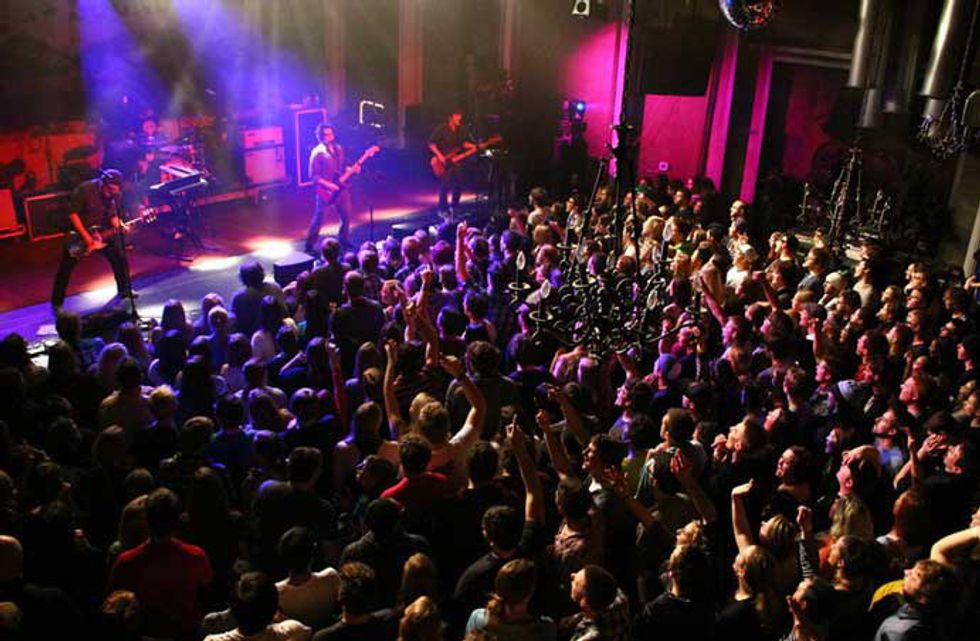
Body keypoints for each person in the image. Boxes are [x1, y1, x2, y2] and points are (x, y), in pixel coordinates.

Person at [106, 487, 214, 641]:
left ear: (147, 520)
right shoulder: (196, 555)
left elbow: (111, 603)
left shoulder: (126, 561)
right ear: (177, 520)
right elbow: (206, 588)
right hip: (186, 634)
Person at [51, 169, 134, 313]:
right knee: (66, 269)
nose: (111, 194)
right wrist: (86, 238)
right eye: (109, 190)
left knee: (118, 258)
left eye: (114, 191)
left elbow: (113, 215)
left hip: (100, 234)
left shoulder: (113, 196)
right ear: (103, 183)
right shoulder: (85, 189)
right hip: (79, 235)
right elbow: (73, 214)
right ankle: (57, 303)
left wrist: (120, 225)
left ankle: (124, 291)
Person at [306, 123, 353, 252]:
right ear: (319, 136)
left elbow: (341, 167)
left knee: (346, 217)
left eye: (330, 134)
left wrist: (349, 169)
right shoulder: (317, 152)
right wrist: (329, 185)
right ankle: (309, 246)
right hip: (325, 191)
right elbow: (313, 176)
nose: (328, 137)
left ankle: (343, 240)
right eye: (325, 135)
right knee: (319, 219)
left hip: (341, 189)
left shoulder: (339, 149)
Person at [429, 111, 475, 217]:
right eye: (457, 115)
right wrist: (440, 156)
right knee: (445, 185)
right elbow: (431, 143)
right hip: (444, 161)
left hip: (455, 161)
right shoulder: (442, 129)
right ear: (451, 117)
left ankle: (455, 208)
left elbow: (463, 143)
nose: (460, 117)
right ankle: (442, 209)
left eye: (460, 115)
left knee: (458, 185)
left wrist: (474, 146)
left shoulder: (460, 130)